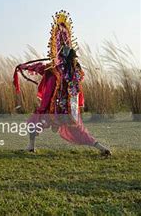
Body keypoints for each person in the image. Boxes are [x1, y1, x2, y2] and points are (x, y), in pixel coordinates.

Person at [13, 10, 111, 156]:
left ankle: (31, 146)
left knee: (33, 122)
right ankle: (101, 147)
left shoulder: (56, 70)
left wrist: (24, 67)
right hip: (67, 110)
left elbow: (41, 68)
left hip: (53, 109)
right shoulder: (75, 72)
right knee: (79, 130)